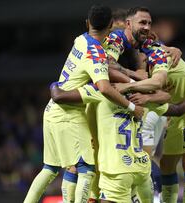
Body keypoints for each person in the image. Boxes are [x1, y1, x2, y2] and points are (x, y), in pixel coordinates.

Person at [23, 5, 143, 203]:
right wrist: (132, 106)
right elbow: (104, 87)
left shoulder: (80, 40)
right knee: (86, 169)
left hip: (52, 111)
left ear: (87, 23)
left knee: (50, 169)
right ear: (111, 24)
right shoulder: (95, 53)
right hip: (69, 114)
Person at [50, 78, 185, 203]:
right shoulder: (142, 99)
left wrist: (57, 83)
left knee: (74, 167)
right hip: (142, 169)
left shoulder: (100, 92)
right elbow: (177, 109)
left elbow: (60, 96)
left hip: (115, 168)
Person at [113, 9, 185, 203]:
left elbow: (160, 88)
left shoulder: (155, 53)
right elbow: (163, 94)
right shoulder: (131, 54)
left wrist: (130, 84)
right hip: (172, 107)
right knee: (166, 163)